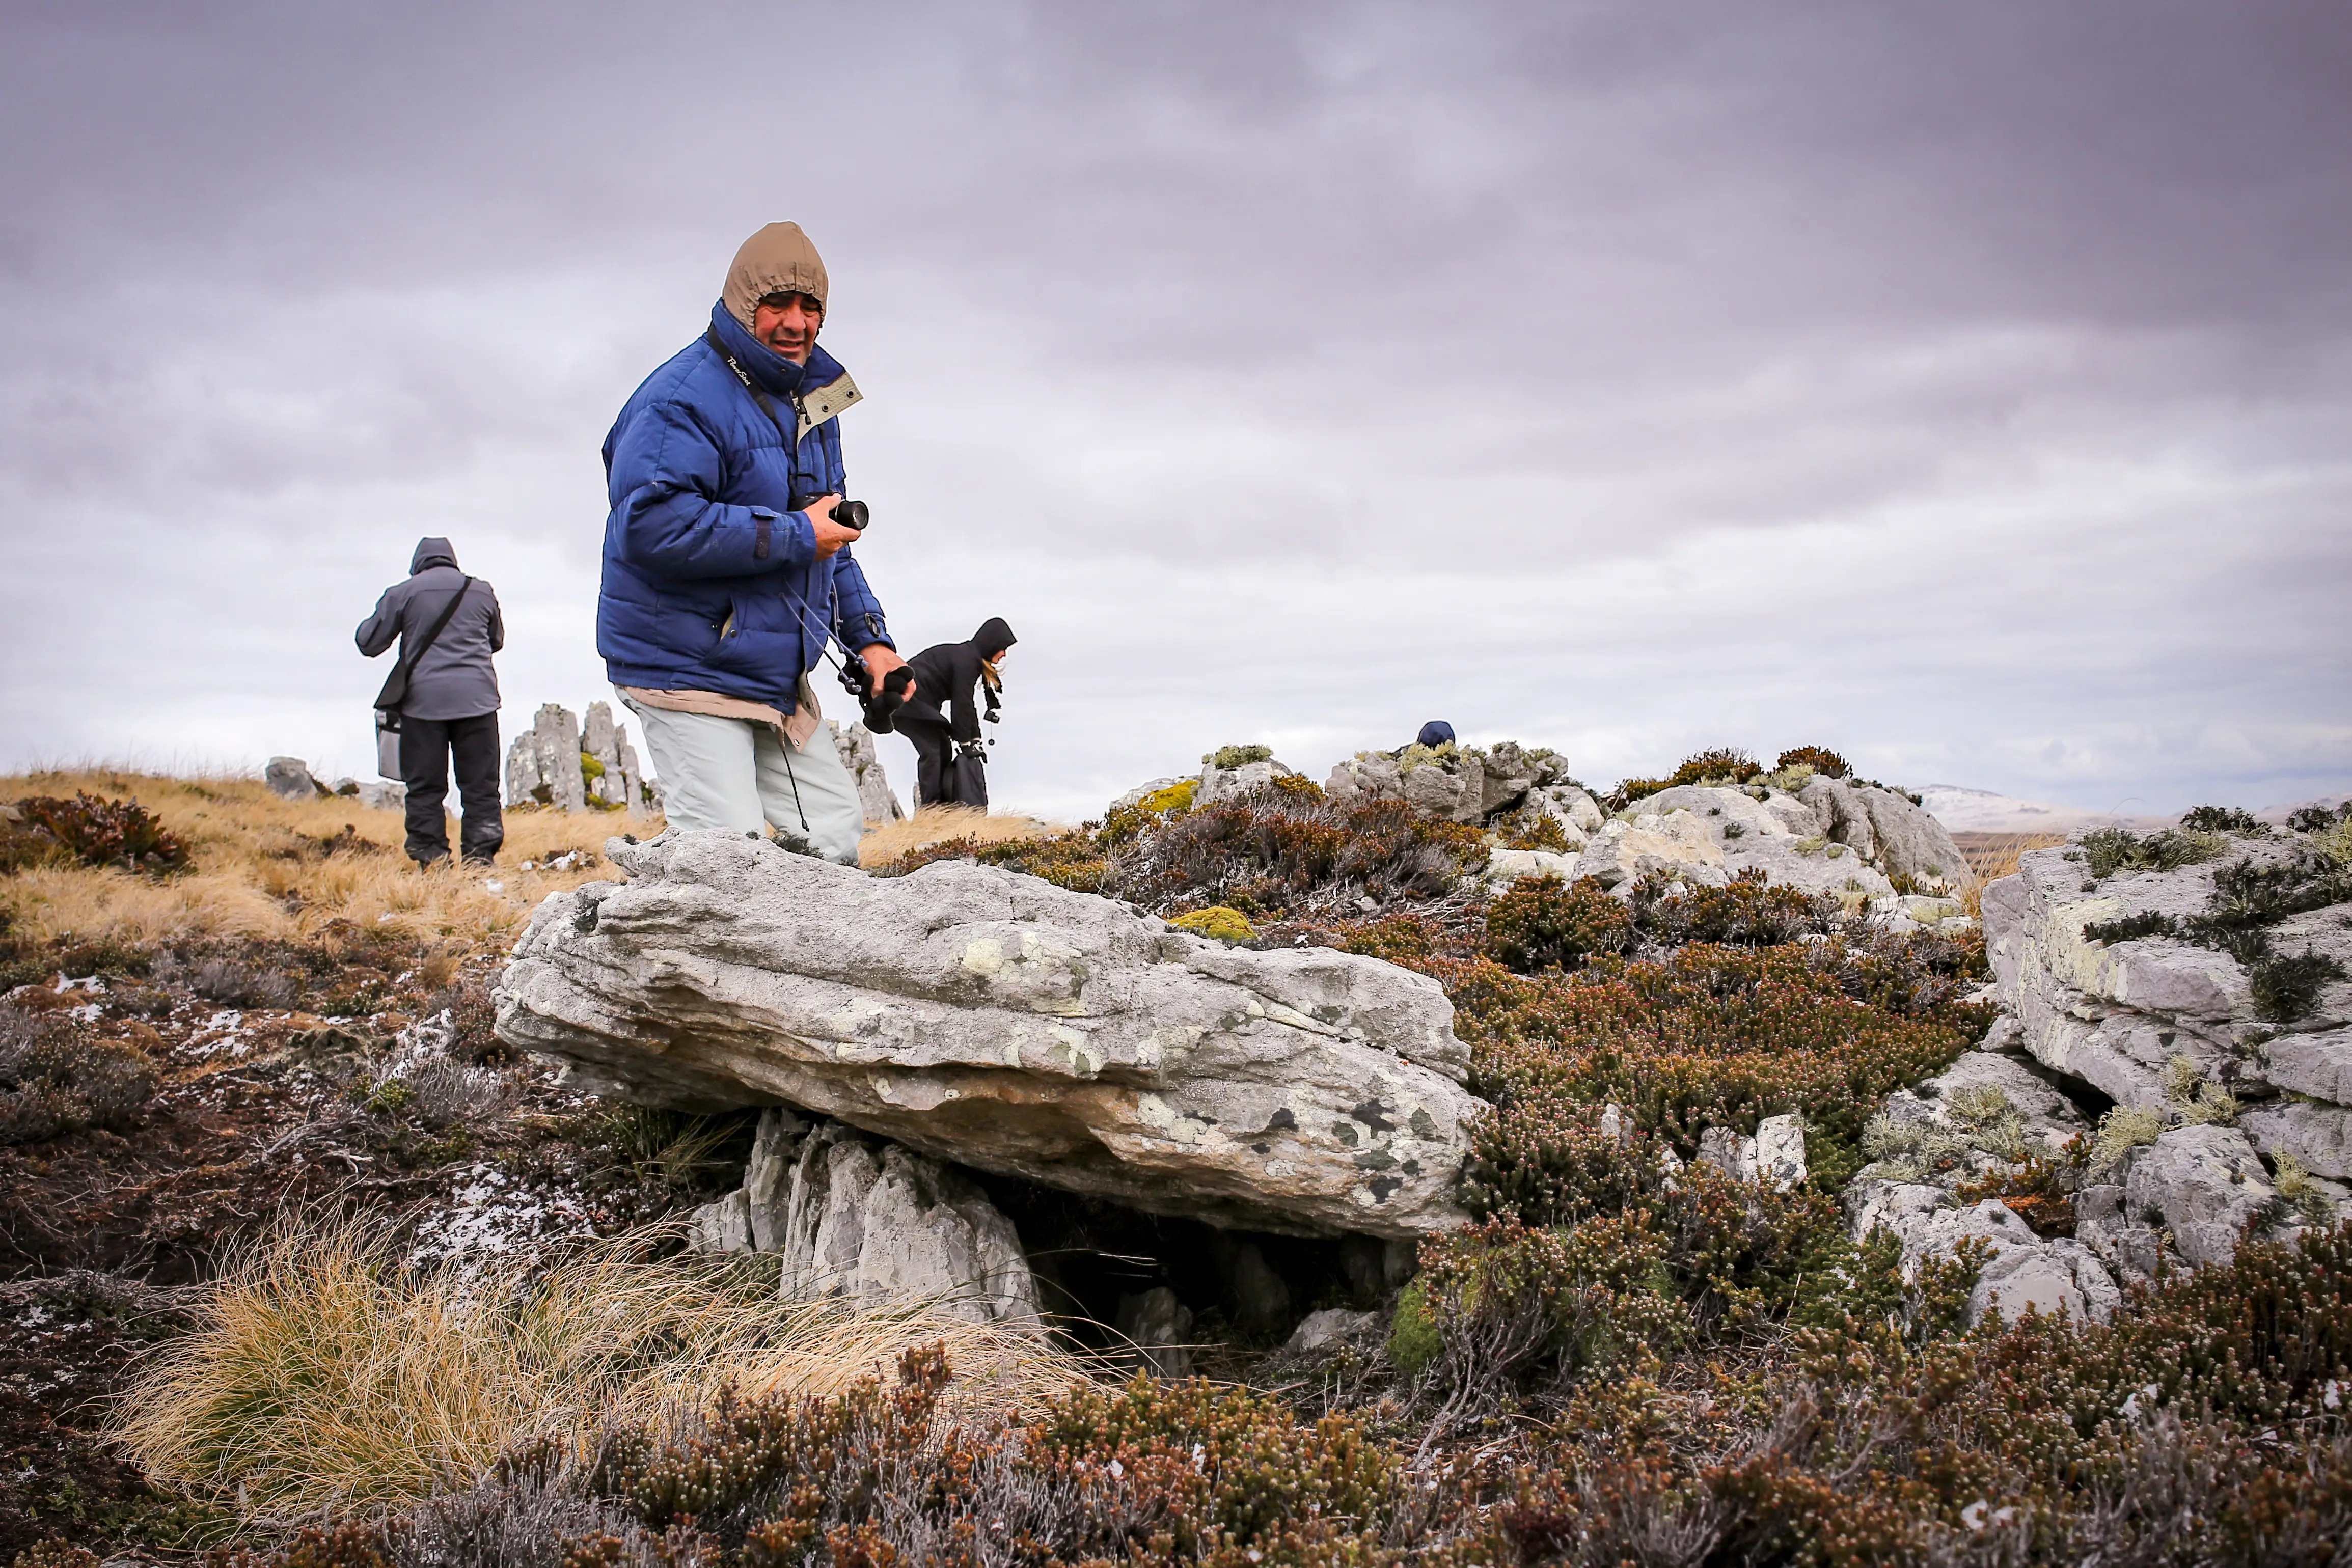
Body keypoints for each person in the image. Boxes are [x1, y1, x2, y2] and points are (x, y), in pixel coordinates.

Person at [597, 222, 907, 864]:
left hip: (768, 672)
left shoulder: (814, 402)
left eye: (810, 306)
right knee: (725, 856)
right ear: (743, 306)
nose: (796, 323)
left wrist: (871, 642)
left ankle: (802, 965)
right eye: (777, 305)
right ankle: (656, 954)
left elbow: (831, 539)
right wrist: (800, 533)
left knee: (831, 833)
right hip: (682, 664)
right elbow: (653, 527)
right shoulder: (680, 399)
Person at [355, 537, 506, 866]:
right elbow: (496, 640)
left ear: (417, 565)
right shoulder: (480, 590)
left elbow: (368, 642)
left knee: (425, 787)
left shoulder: (403, 592)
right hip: (478, 701)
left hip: (423, 706)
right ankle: (480, 860)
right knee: (481, 786)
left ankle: (433, 859)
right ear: (452, 560)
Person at [898, 617, 1017, 810]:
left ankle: (940, 808)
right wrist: (965, 743)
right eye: (1003, 648)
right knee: (934, 750)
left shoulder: (968, 657)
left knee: (941, 746)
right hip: (905, 701)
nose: (1004, 654)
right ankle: (933, 811)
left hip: (912, 704)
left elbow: (967, 705)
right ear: (991, 644)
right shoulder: (967, 660)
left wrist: (974, 740)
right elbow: (961, 704)